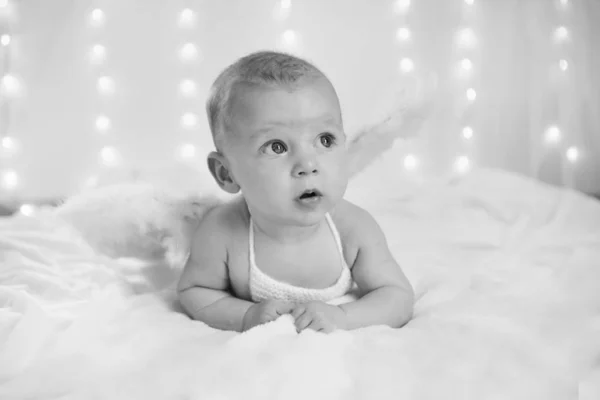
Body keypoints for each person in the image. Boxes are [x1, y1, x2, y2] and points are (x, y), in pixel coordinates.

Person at [177, 50, 414, 333]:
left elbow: (396, 295)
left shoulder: (353, 229)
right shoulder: (222, 232)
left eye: (325, 140)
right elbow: (195, 290)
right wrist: (245, 315)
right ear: (226, 174)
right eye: (277, 146)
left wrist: (343, 317)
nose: (308, 164)